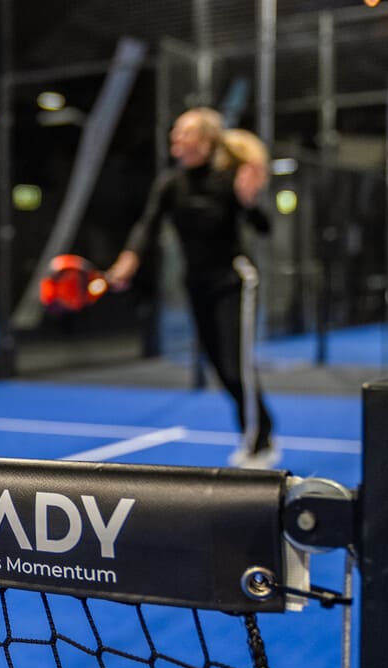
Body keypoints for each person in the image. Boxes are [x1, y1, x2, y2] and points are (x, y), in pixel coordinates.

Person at [106, 107, 278, 469]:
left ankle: (258, 444)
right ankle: (264, 426)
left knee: (236, 366)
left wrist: (249, 201)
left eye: (184, 132)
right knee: (220, 368)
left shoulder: (229, 178)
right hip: (196, 284)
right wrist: (128, 261)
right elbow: (147, 225)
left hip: (234, 281)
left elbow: (264, 227)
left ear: (204, 140)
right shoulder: (171, 183)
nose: (175, 138)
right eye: (175, 132)